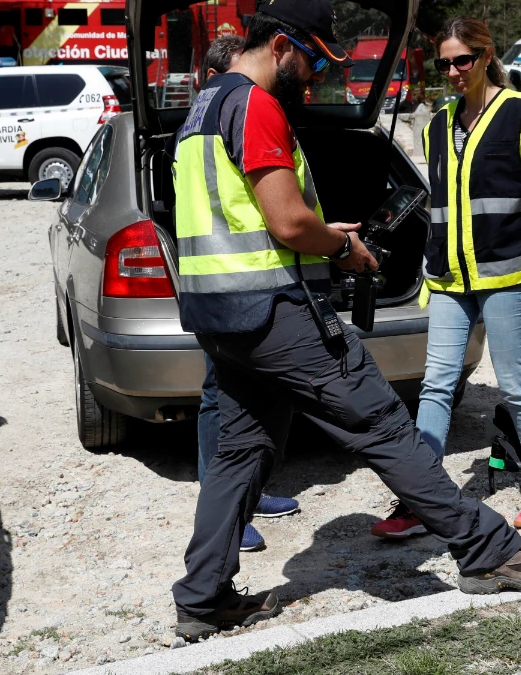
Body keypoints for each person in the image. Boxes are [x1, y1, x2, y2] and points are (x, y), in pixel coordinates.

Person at [169, 0, 521, 643]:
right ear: (281, 46)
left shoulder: (203, 105)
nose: (313, 78)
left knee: (239, 452)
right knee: (384, 425)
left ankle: (202, 597)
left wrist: (318, 231)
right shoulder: (256, 105)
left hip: (220, 317)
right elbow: (285, 222)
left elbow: (241, 216)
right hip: (274, 312)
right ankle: (490, 552)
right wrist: (341, 248)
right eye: (312, 62)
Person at [371, 17, 521, 538]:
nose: (453, 71)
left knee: (514, 384)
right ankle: (421, 499)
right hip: (449, 279)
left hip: (508, 274)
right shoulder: (437, 125)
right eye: (444, 63)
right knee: (436, 386)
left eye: (462, 60)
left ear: (486, 56)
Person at [194, 32, 298, 554]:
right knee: (221, 399)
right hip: (227, 290)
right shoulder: (223, 113)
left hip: (251, 287)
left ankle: (251, 496)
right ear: (219, 75)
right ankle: (231, 509)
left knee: (252, 398)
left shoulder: (224, 112)